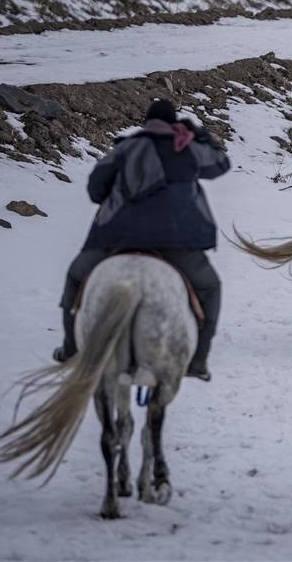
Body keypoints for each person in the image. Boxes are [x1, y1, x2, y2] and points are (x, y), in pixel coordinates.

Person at [54, 98, 231, 382]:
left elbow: (95, 190)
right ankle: (197, 361)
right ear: (174, 123)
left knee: (76, 279)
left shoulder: (125, 148)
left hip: (117, 238)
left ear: (146, 123)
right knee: (210, 288)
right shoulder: (187, 148)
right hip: (175, 242)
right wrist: (199, 133)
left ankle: (72, 349)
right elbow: (221, 164)